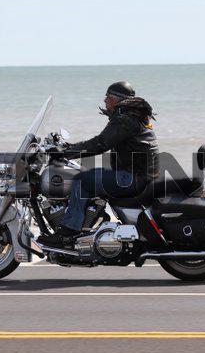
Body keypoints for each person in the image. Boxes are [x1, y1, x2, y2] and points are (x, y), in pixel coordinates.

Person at [41, 81, 159, 247]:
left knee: (82, 180)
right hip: (138, 175)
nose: (104, 100)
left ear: (117, 99)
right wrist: (68, 148)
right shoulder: (131, 116)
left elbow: (100, 144)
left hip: (133, 178)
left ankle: (69, 231)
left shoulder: (125, 119)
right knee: (89, 175)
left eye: (108, 96)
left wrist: (65, 152)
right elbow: (101, 141)